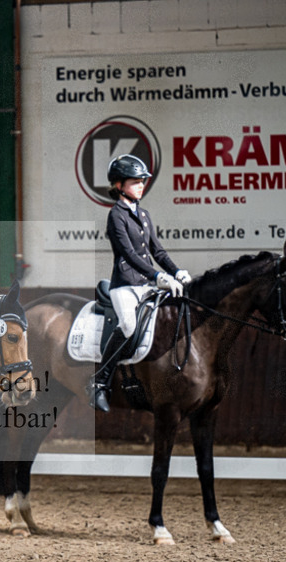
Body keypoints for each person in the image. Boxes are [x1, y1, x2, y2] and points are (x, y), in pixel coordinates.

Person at [86, 155, 192, 412]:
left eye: (143, 181)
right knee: (129, 325)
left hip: (146, 284)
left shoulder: (143, 214)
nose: (141, 185)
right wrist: (159, 277)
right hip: (125, 285)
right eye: (135, 182)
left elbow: (157, 251)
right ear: (119, 185)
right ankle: (100, 382)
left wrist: (176, 272)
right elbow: (129, 255)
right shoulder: (116, 216)